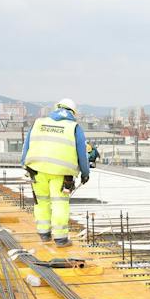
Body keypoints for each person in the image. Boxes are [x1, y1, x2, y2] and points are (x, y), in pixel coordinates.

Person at [22, 98, 90, 246]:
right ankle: (60, 238)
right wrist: (85, 173)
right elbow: (82, 154)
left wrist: (24, 164)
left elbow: (26, 146)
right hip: (61, 173)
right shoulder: (74, 127)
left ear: (57, 108)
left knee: (41, 202)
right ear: (72, 112)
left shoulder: (38, 123)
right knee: (59, 203)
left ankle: (44, 234)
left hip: (36, 170)